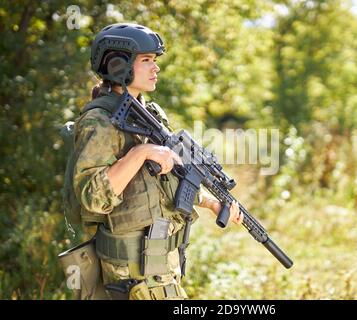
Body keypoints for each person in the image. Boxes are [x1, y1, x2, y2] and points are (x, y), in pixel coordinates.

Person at [72, 23, 243, 300]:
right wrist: (141, 153)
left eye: (155, 60)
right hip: (131, 272)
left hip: (160, 265)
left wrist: (211, 202)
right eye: (147, 60)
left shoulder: (148, 115)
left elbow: (164, 181)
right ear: (119, 65)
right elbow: (91, 196)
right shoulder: (99, 122)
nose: (156, 68)